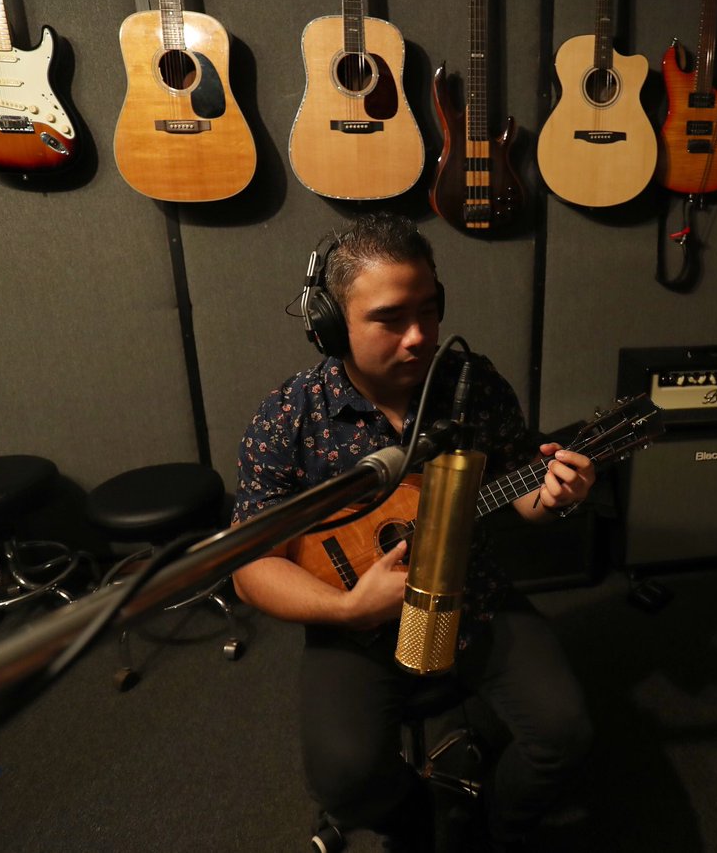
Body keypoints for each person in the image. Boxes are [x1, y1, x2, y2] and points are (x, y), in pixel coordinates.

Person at [230, 213, 594, 852]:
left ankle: (496, 831)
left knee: (564, 735)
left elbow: (521, 492)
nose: (420, 336)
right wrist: (346, 607)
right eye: (391, 318)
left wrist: (557, 495)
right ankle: (416, 824)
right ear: (332, 324)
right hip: (358, 623)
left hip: (472, 596)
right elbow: (249, 563)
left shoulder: (473, 387)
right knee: (342, 778)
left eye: (430, 310)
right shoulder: (291, 413)